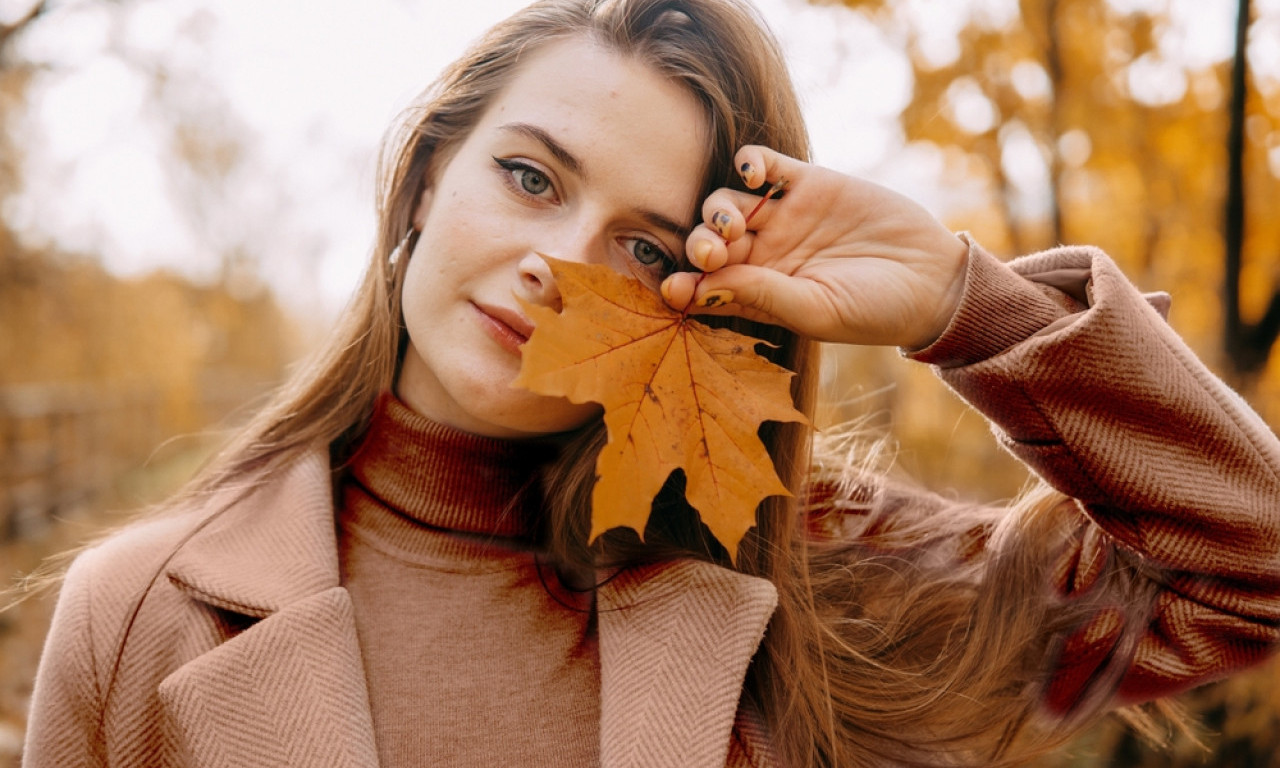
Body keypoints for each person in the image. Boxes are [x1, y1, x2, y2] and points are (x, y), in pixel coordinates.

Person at [20, 0, 1280, 766]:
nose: (559, 266)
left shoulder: (807, 576)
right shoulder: (138, 615)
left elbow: (1250, 566)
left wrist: (965, 301)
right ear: (421, 180)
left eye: (643, 247)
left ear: (711, 296)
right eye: (528, 177)